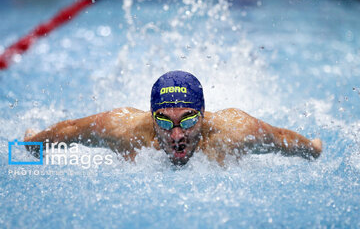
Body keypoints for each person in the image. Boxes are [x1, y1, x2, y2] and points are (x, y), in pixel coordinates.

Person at [24, 71, 322, 166]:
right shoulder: (123, 129)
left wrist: (313, 148)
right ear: (151, 117)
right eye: (165, 122)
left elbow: (281, 138)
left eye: (188, 120)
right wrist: (32, 144)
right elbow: (71, 129)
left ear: (203, 115)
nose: (177, 135)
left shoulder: (235, 130)